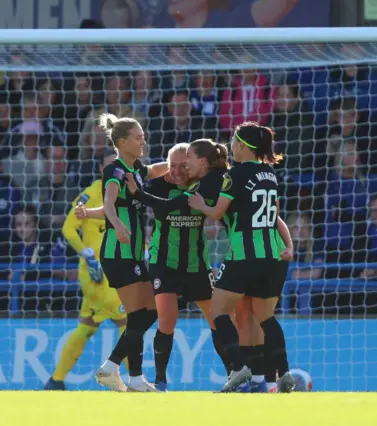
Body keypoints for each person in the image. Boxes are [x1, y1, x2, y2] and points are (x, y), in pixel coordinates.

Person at [188, 121, 294, 393]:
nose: (232, 147)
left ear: (243, 146)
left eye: (235, 142)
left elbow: (218, 213)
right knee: (265, 318)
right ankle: (282, 374)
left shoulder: (233, 175)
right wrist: (289, 245)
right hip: (272, 256)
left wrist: (201, 205)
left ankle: (238, 366)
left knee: (218, 311)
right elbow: (275, 215)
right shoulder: (270, 174)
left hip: (243, 255)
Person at [123, 139, 231, 391]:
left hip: (196, 264)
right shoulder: (156, 186)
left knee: (217, 319)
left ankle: (233, 373)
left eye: (183, 165)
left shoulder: (203, 186)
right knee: (167, 319)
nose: (178, 171)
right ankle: (160, 380)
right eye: (172, 165)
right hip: (164, 263)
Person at [78, 113, 168, 392]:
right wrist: (116, 225)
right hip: (117, 254)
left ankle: (130, 377)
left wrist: (184, 160)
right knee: (144, 314)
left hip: (132, 255)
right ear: (123, 142)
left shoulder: (137, 169)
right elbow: (109, 203)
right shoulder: (114, 170)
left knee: (144, 314)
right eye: (138, 136)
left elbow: (154, 170)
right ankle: (115, 370)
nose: (143, 140)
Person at [44, 149, 129, 391]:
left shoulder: (126, 193)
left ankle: (56, 380)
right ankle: (135, 383)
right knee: (128, 322)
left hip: (117, 270)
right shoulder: (90, 195)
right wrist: (87, 254)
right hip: (98, 274)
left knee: (86, 326)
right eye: (111, 165)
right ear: (102, 169)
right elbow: (69, 229)